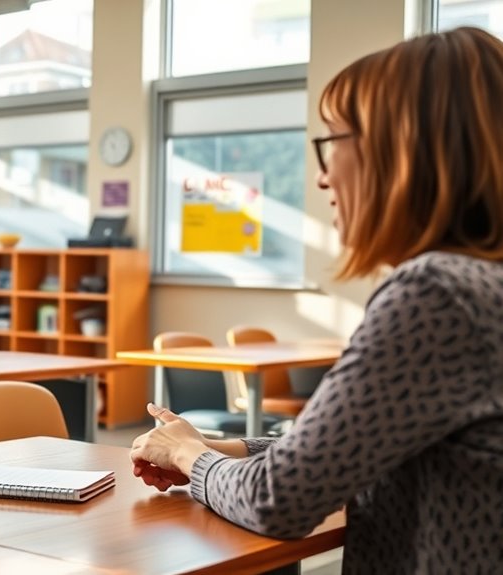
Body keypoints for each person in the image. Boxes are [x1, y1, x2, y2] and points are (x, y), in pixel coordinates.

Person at [130, 27, 503, 573]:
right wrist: (219, 449)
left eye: (333, 143)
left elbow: (277, 501)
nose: (323, 177)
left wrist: (191, 455)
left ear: (403, 151)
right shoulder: (482, 285)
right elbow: (351, 447)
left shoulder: (436, 295)